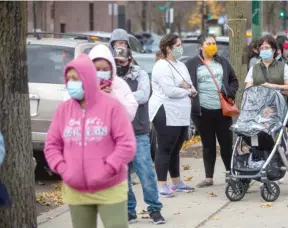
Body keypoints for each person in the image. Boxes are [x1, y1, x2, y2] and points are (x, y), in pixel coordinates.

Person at [44, 54, 136, 228]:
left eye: (76, 78)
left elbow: (127, 144)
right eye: (69, 78)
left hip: (110, 187)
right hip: (76, 189)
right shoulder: (64, 109)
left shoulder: (111, 106)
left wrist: (107, 168)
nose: (71, 83)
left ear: (87, 78)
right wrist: (64, 169)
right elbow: (52, 145)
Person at [109, 28, 165, 225]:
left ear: (129, 48)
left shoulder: (139, 72)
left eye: (123, 44)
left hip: (138, 131)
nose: (120, 49)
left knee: (146, 173)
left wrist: (120, 97)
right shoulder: (109, 74)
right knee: (122, 175)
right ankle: (129, 210)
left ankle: (154, 209)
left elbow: (143, 95)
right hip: (116, 134)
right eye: (116, 45)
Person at [185, 34, 239, 188]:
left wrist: (229, 92)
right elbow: (186, 84)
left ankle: (230, 173)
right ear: (201, 46)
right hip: (202, 112)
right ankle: (209, 177)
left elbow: (234, 81)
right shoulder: (192, 64)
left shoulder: (223, 62)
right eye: (208, 43)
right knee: (208, 145)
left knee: (226, 143)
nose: (212, 46)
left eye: (213, 43)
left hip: (222, 111)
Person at [149, 34, 197, 197]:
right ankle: (162, 184)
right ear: (168, 48)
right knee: (165, 148)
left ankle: (176, 182)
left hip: (181, 113)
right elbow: (170, 91)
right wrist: (186, 89)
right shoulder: (161, 66)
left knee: (176, 148)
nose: (181, 48)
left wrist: (186, 87)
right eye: (178, 45)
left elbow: (190, 84)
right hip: (165, 111)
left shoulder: (181, 65)